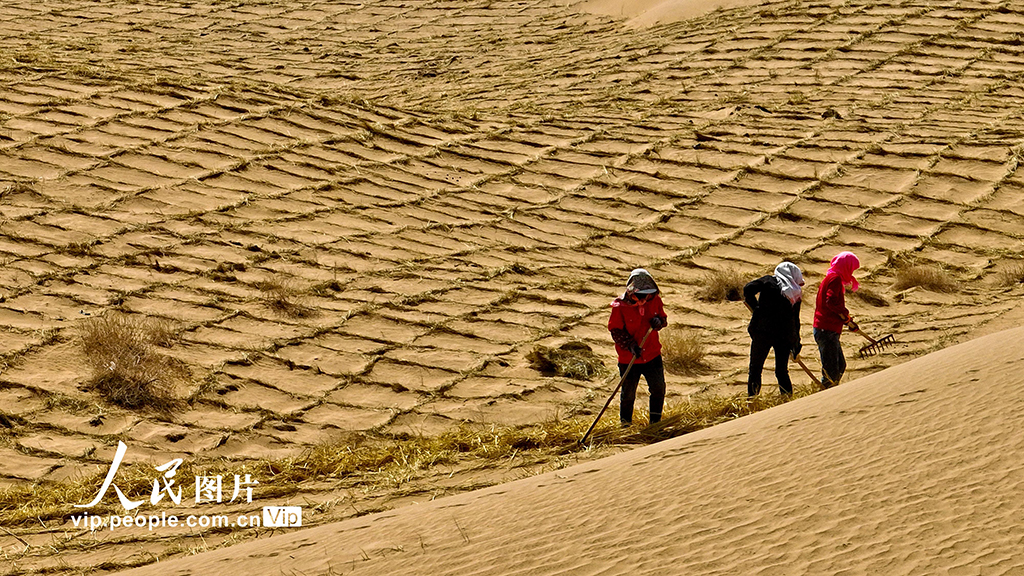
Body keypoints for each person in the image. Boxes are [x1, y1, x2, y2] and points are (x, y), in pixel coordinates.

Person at [608, 269, 668, 426]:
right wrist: (630, 345)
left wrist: (658, 322)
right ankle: (625, 425)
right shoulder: (619, 306)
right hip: (629, 359)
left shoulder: (654, 301)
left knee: (658, 389)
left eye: (646, 296)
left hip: (652, 355)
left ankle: (655, 423)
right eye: (640, 296)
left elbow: (663, 318)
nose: (643, 300)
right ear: (631, 292)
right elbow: (615, 331)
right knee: (628, 394)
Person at [743, 262, 804, 397]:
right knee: (781, 371)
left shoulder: (768, 281)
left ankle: (752, 401)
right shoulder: (795, 293)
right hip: (784, 336)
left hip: (762, 332)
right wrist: (796, 344)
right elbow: (796, 321)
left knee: (755, 369)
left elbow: (748, 289)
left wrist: (756, 309)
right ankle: (787, 400)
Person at [813, 251, 861, 387]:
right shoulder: (835, 279)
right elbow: (831, 301)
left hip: (828, 329)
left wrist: (846, 320)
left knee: (840, 366)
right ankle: (825, 396)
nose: (852, 272)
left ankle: (832, 390)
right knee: (831, 371)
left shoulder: (832, 277)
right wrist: (845, 316)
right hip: (825, 329)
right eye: (851, 268)